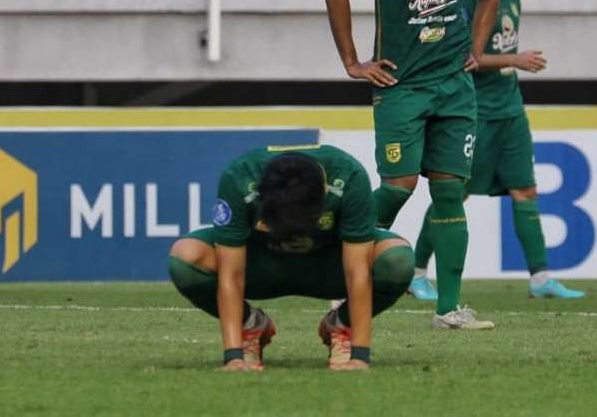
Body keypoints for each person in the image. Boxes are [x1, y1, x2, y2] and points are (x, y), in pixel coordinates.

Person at [324, 0, 501, 330]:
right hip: (401, 86)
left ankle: (449, 308)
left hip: (456, 90)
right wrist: (352, 61)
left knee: (449, 191)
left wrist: (478, 48)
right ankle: (337, 276)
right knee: (398, 187)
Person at [406, 0, 585, 301]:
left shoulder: (514, 0)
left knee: (526, 191)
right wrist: (514, 60)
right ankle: (416, 272)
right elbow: (465, 60)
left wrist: (511, 64)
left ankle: (540, 280)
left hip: (511, 111)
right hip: (476, 112)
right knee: (452, 193)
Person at [167, 144, 415, 371]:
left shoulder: (349, 175)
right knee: (185, 256)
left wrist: (360, 356)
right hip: (261, 266)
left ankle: (341, 325)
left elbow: (357, 271)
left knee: (398, 261)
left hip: (327, 267)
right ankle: (250, 326)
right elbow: (231, 274)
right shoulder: (239, 177)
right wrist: (233, 356)